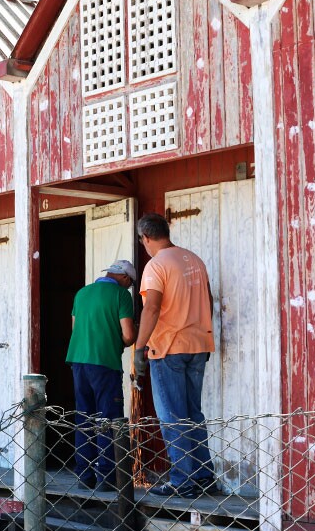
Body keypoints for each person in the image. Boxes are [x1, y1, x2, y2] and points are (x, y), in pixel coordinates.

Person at [133, 212, 217, 498]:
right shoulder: (194, 259)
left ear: (145, 238)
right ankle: (204, 475)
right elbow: (209, 301)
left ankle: (183, 480)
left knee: (172, 417)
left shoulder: (156, 265)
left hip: (167, 347)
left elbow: (152, 308)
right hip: (199, 345)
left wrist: (139, 347)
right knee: (193, 413)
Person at [66, 260, 136, 491]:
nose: (129, 288)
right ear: (124, 278)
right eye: (130, 284)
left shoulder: (82, 293)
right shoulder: (120, 295)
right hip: (105, 362)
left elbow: (75, 329)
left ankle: (84, 475)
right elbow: (127, 336)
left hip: (78, 361)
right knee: (108, 418)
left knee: (84, 417)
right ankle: (106, 476)